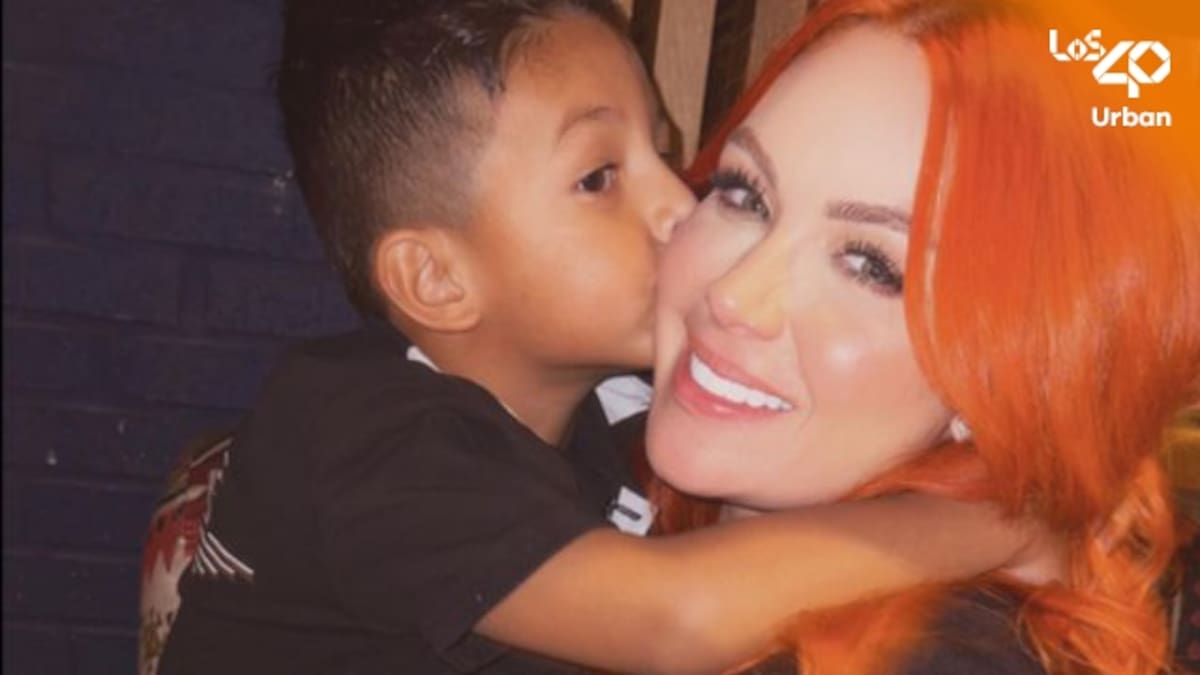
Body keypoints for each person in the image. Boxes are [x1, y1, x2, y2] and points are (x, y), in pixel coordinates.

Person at [158, 2, 1061, 673]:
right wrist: (995, 518)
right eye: (600, 178)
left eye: (667, 154)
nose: (680, 204)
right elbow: (675, 617)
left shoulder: (614, 411)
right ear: (436, 278)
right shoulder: (361, 431)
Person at [643, 0, 1200, 673]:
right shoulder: (584, 446)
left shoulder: (947, 656)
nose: (732, 295)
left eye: (870, 266)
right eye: (743, 194)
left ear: (1009, 377)